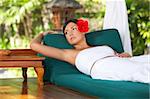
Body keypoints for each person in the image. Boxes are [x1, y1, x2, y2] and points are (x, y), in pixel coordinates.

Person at [30, 19, 149, 83]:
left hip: (120, 62)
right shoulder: (68, 54)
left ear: (82, 30)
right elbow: (34, 45)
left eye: (73, 29)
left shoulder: (102, 47)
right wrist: (42, 34)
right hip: (103, 67)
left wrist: (125, 54)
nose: (70, 33)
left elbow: (122, 56)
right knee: (141, 71)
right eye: (66, 32)